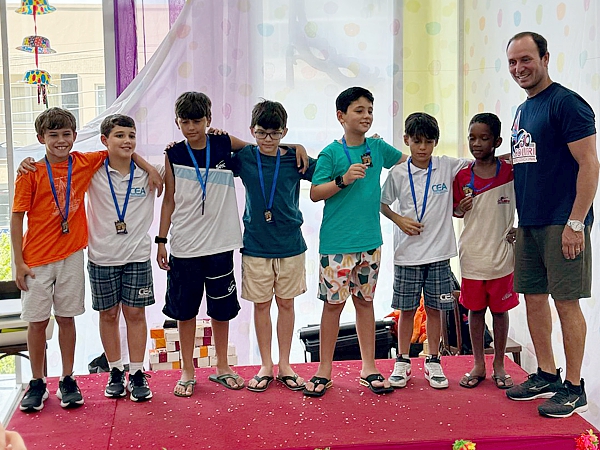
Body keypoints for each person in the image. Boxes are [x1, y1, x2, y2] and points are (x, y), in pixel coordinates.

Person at [156, 92, 307, 397]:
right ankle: (187, 371)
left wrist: (296, 147)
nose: (191, 127)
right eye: (185, 122)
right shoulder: (173, 154)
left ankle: (222, 367)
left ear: (208, 120)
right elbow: (168, 199)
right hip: (184, 246)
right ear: (177, 122)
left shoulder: (223, 144)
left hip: (221, 244)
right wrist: (161, 240)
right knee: (184, 312)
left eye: (197, 121)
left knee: (221, 310)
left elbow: (263, 146)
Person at [11, 108, 160, 412]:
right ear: (41, 138)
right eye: (53, 135)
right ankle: (37, 382)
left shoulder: (83, 162)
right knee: (37, 322)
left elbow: (121, 150)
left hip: (72, 256)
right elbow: (15, 218)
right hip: (37, 259)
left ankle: (69, 379)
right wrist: (18, 262)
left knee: (68, 319)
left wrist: (148, 167)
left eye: (66, 134)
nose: (61, 140)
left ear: (75, 136)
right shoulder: (31, 173)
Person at [505, 32, 599, 418]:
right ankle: (546, 373)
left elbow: (589, 164)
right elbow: (529, 158)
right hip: (529, 222)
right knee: (533, 298)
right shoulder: (522, 110)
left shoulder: (566, 103)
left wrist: (575, 223)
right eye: (512, 62)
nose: (519, 68)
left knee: (566, 302)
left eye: (526, 59)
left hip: (563, 222)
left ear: (545, 58)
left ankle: (574, 388)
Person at [303, 86, 405, 397]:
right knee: (333, 306)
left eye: (370, 110)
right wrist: (343, 179)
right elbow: (315, 192)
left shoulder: (377, 147)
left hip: (370, 242)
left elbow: (409, 163)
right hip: (337, 245)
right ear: (341, 116)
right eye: (359, 110)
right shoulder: (331, 153)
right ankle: (324, 370)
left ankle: (369, 367)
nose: (367, 116)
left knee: (365, 303)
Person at [231, 100, 315, 392]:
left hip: (290, 243)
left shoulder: (295, 159)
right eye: (261, 133)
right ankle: (266, 365)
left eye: (275, 134)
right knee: (262, 305)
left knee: (286, 304)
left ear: (284, 132)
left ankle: (285, 364)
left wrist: (295, 147)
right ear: (251, 130)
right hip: (255, 243)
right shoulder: (244, 157)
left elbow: (328, 170)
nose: (268, 139)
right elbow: (218, 144)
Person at [380, 112, 469, 390]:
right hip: (407, 255)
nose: (422, 148)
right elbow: (381, 203)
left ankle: (433, 360)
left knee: (435, 309)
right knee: (406, 310)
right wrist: (399, 220)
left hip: (439, 254)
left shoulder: (446, 165)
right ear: (406, 140)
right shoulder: (397, 173)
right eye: (417, 141)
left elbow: (481, 162)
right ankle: (402, 361)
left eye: (428, 142)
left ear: (436, 142)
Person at [86, 114, 162, 401]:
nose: (127, 141)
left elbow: (175, 168)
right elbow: (60, 162)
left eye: (131, 135)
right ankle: (116, 370)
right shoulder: (92, 170)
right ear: (104, 140)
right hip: (102, 257)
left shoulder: (150, 172)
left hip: (137, 257)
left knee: (135, 314)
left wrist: (146, 165)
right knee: (108, 315)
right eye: (119, 135)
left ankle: (138, 372)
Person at [452, 113, 519, 389]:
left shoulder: (510, 172)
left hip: (502, 257)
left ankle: (500, 364)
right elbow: (455, 211)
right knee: (476, 311)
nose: (476, 144)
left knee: (500, 312)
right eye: (472, 138)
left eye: (484, 138)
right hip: (472, 256)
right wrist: (460, 208)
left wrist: (520, 229)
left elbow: (527, 200)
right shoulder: (462, 175)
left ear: (497, 141)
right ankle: (478, 364)